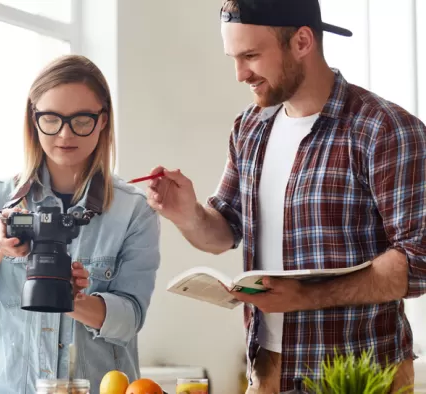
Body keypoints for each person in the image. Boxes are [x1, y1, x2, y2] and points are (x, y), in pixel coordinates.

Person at [146, 0, 426, 393]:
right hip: (267, 372)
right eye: (234, 57)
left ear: (302, 41)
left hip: (359, 373)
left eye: (251, 56)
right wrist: (187, 214)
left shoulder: (385, 130)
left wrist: (305, 296)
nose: (240, 74)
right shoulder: (249, 128)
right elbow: (225, 230)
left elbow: (419, 260)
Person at [0, 54, 161, 394]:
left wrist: (71, 298)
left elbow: (130, 319)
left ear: (103, 120)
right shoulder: (0, 198)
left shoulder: (133, 210)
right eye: (51, 119)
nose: (65, 133)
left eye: (82, 120)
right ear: (34, 119)